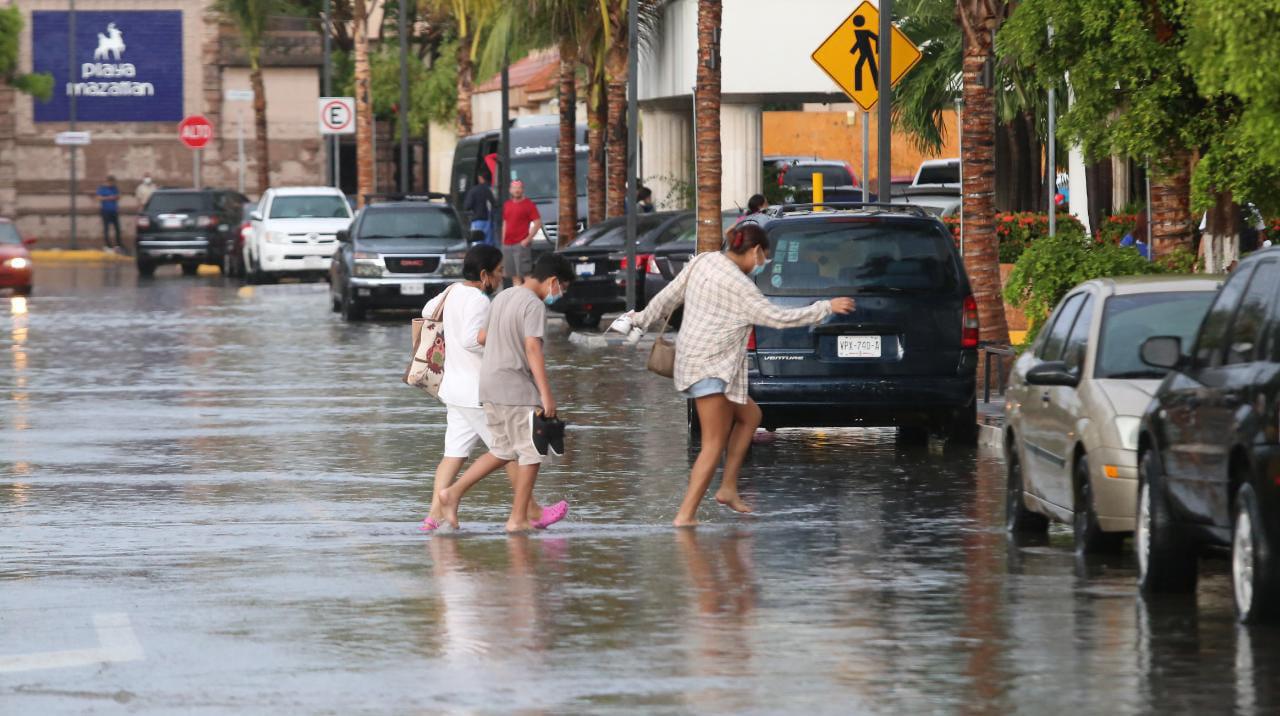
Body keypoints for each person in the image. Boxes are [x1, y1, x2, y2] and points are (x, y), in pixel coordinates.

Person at [626, 223, 855, 527]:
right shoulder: (741, 287)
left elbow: (667, 298)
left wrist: (639, 320)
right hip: (711, 370)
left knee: (751, 416)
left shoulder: (703, 261)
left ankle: (728, 488)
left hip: (696, 363)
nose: (763, 264)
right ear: (756, 251)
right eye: (765, 258)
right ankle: (685, 515)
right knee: (712, 445)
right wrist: (825, 306)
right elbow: (780, 318)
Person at [419, 245, 564, 533]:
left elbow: (426, 311)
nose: (501, 278)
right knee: (508, 450)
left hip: (452, 387)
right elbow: (473, 339)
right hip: (478, 391)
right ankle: (531, 511)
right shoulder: (479, 300)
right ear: (484, 275)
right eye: (498, 272)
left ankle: (433, 517)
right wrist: (502, 340)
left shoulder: (452, 291)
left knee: (454, 454)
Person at [501, 179, 542, 283]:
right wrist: (503, 242)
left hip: (521, 245)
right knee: (514, 276)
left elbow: (537, 223)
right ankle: (518, 298)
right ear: (510, 190)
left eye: (519, 187)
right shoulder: (507, 204)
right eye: (514, 188)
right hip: (507, 245)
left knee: (526, 275)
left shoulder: (528, 204)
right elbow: (505, 223)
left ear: (522, 189)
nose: (517, 190)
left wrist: (527, 240)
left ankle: (530, 297)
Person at [462, 173, 496, 245]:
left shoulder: (474, 190)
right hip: (489, 221)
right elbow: (494, 204)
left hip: (477, 220)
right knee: (488, 244)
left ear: (480, 178)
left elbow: (467, 206)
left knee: (477, 243)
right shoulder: (490, 190)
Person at [95, 176, 122, 252]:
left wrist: (115, 197)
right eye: (110, 182)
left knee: (117, 229)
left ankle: (118, 245)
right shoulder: (102, 188)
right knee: (106, 229)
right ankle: (108, 245)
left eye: (113, 182)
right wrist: (108, 198)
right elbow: (98, 198)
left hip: (114, 211)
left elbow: (119, 196)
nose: (112, 183)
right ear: (107, 182)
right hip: (105, 211)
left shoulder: (115, 188)